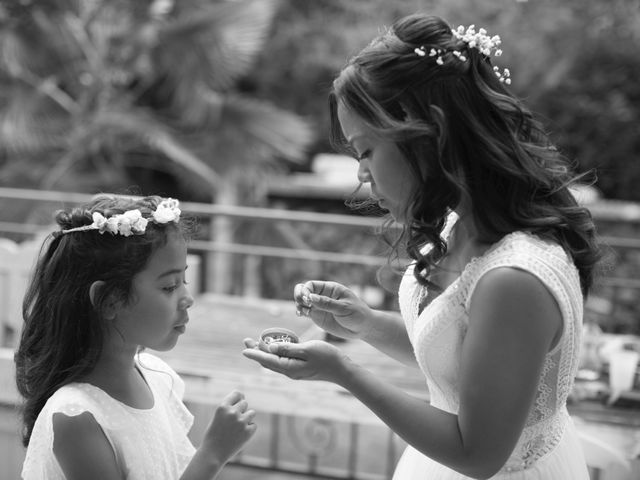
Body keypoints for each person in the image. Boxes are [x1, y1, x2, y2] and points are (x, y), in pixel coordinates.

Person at [242, 13, 601, 480]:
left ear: (428, 135)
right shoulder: (458, 224)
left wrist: (343, 371)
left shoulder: (514, 280)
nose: (361, 174)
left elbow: (477, 453)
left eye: (366, 150)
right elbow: (460, 364)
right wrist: (366, 324)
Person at [15, 195, 257, 479]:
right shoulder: (76, 416)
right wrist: (213, 454)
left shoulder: (156, 377)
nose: (187, 299)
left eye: (184, 281)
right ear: (109, 301)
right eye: (169, 286)